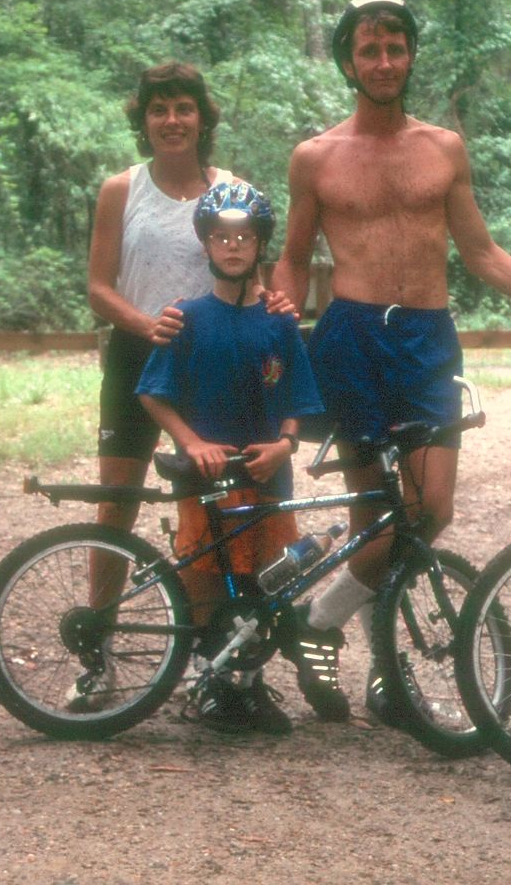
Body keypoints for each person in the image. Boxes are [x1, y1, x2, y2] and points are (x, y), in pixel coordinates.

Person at [270, 0, 511, 723]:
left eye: (396, 47)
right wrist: (275, 330)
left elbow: (481, 250)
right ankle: (388, 677)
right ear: (347, 61)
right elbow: (293, 259)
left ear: (411, 54)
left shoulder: (443, 148)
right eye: (369, 49)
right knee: (378, 517)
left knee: (429, 510)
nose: (385, 61)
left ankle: (319, 619)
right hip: (351, 338)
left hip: (426, 338)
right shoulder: (316, 157)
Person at [74, 62, 288, 714]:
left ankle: (216, 661)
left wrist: (273, 313)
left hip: (215, 360)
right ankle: (97, 654)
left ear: (203, 118)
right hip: (140, 354)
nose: (172, 120)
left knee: (221, 511)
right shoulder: (121, 189)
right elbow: (98, 285)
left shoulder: (233, 189)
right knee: (117, 503)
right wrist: (146, 323)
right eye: (159, 109)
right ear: (142, 119)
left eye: (184, 108)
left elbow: (259, 277)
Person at [137, 181, 325, 735]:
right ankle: (206, 681)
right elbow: (153, 391)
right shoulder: (188, 317)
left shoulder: (278, 320)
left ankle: (246, 681)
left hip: (267, 472)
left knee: (266, 579)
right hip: (207, 473)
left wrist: (286, 443)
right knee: (206, 574)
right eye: (221, 237)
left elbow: (297, 395)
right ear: (206, 246)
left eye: (244, 237)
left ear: (260, 244)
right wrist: (190, 441)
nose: (233, 247)